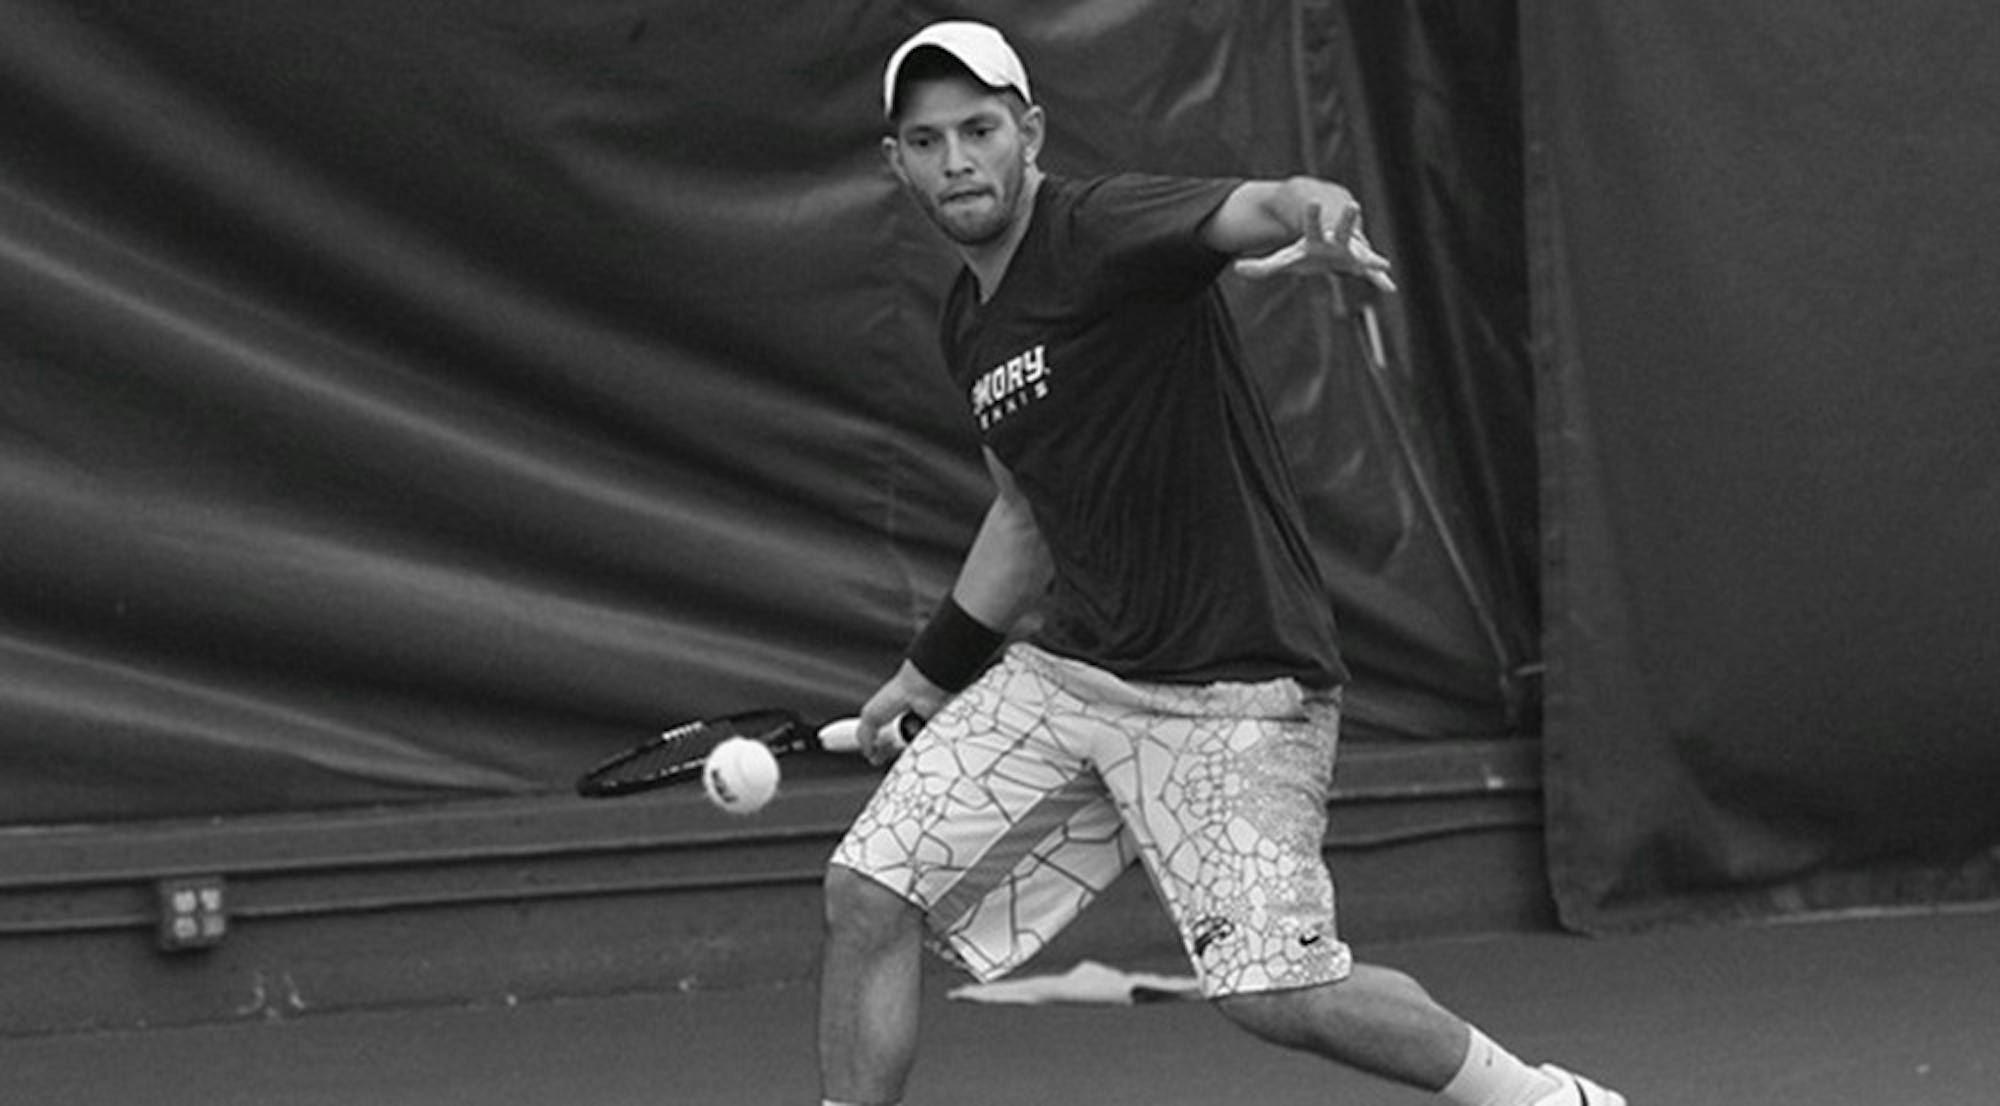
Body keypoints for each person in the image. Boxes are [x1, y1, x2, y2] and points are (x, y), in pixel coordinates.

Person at [819, 20, 1625, 1106]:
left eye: (978, 129)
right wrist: (928, 671)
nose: (957, 159)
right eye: (927, 140)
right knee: (869, 889)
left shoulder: (1098, 227)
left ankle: (1543, 1100)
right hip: (1070, 673)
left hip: (1234, 687)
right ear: (895, 162)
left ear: (1029, 132)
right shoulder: (968, 325)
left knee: (1274, 992)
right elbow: (1021, 518)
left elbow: (1250, 207)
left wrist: (1311, 209)